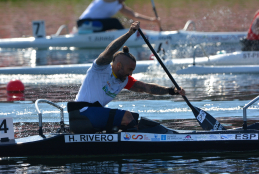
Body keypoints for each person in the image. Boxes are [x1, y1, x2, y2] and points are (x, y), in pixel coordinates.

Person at [75, 21, 185, 132]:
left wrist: (172, 91)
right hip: (82, 113)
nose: (131, 74)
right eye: (130, 70)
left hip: (93, 115)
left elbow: (146, 88)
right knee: (127, 117)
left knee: (134, 119)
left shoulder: (123, 80)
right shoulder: (100, 68)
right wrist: (129, 33)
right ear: (118, 65)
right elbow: (110, 50)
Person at [77, 0, 161, 32]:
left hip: (94, 26)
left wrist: (153, 20)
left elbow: (134, 15)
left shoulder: (118, 5)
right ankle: (126, 37)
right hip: (84, 23)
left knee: (113, 22)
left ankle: (125, 35)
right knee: (115, 21)